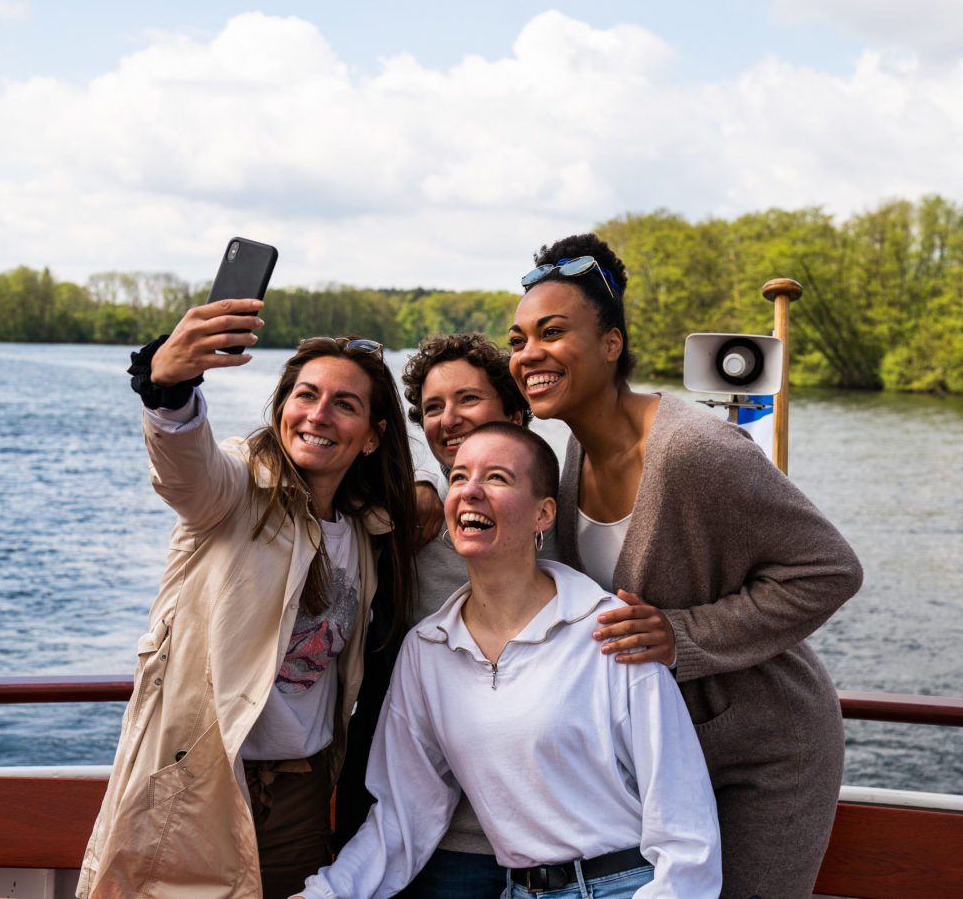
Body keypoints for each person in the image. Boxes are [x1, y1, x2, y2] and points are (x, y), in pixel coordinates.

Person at [506, 234, 864, 899]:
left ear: (612, 345)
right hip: (664, 756)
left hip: (767, 752)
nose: (529, 354)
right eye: (518, 339)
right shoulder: (569, 461)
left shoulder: (695, 451)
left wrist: (682, 636)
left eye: (552, 332)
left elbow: (829, 570)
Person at [77, 299, 416, 899]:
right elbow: (186, 468)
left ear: (372, 437)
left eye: (346, 404)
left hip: (303, 794)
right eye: (305, 396)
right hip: (201, 783)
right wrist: (169, 387)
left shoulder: (370, 531)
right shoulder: (235, 492)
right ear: (282, 408)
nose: (319, 415)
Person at [297, 422, 722, 899]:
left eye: (497, 477)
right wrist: (327, 893)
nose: (471, 491)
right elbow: (403, 815)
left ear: (544, 514)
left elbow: (685, 827)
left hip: (626, 886)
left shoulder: (609, 629)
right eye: (458, 477)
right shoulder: (427, 649)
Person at [334, 332, 529, 898]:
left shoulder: (561, 523)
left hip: (546, 838)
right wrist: (420, 484)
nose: (448, 418)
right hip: (429, 837)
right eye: (433, 408)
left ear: (516, 412)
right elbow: (331, 468)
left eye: (468, 399)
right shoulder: (403, 524)